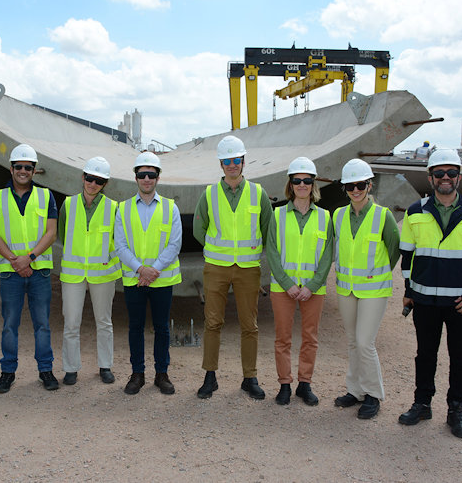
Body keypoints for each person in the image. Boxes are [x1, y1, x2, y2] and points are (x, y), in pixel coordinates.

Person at [397, 150, 462, 438]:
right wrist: (409, 291)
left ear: (459, 177)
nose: (445, 178)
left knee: (460, 357)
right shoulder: (416, 211)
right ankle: (422, 403)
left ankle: (456, 410)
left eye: (450, 173)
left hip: (461, 304)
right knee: (425, 355)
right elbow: (408, 257)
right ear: (430, 178)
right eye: (438, 173)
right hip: (425, 300)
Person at [193, 135, 273, 400]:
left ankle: (250, 378)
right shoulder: (209, 194)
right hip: (216, 268)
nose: (232, 165)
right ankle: (210, 376)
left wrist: (249, 252)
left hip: (248, 268)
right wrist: (218, 250)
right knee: (212, 323)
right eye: (227, 161)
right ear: (221, 164)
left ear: (243, 161)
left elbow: (267, 229)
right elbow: (198, 229)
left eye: (236, 160)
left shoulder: (258, 193)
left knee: (249, 325)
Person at [331, 159, 401, 419]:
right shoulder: (338, 216)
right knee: (352, 342)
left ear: (369, 185)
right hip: (346, 288)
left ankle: (373, 395)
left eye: (360, 185)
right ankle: (356, 391)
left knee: (364, 341)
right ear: (345, 188)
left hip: (373, 290)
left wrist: (376, 273)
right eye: (350, 186)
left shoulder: (383, 216)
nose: (356, 190)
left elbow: (394, 250)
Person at [0, 144, 59, 392]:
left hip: (39, 271)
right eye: (19, 167)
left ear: (34, 171)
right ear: (11, 168)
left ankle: (45, 370)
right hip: (11, 273)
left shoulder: (46, 196)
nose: (23, 171)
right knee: (9, 324)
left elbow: (51, 233)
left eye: (28, 167)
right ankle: (8, 372)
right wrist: (15, 261)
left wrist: (29, 258)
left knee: (42, 324)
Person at [266, 157, 333, 406]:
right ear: (290, 184)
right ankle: (285, 384)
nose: (302, 184)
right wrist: (288, 284)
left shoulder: (326, 217)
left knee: (310, 337)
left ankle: (305, 384)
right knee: (282, 338)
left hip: (313, 290)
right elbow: (272, 251)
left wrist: (313, 286)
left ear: (313, 183)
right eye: (297, 180)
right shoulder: (278, 215)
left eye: (307, 180)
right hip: (283, 288)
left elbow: (328, 255)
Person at [115, 152, 182, 395]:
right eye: (142, 174)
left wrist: (153, 271)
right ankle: (137, 373)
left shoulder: (170, 208)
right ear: (135, 178)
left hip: (161, 279)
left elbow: (174, 244)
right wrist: (140, 269)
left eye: (151, 174)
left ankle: (162, 374)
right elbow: (120, 245)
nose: (146, 179)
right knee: (135, 327)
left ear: (158, 177)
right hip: (135, 279)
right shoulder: (122, 209)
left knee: (162, 328)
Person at [58, 156, 120, 386]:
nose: (93, 184)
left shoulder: (114, 208)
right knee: (71, 322)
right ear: (83, 177)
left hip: (102, 274)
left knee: (104, 322)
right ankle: (71, 368)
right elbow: (64, 235)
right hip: (74, 274)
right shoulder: (68, 204)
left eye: (99, 181)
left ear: (105, 184)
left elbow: (117, 241)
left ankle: (105, 366)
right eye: (90, 178)